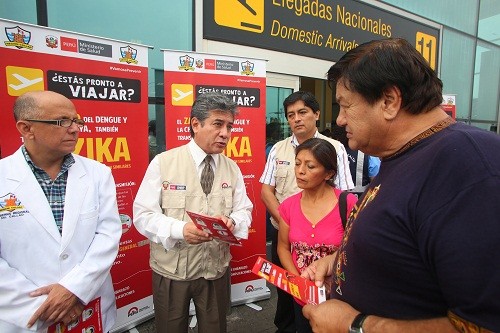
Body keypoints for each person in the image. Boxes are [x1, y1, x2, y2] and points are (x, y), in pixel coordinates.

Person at [301, 38, 500, 333]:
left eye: (345, 105)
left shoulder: (469, 167)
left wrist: (354, 326)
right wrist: (341, 261)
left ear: (389, 101)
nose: (340, 119)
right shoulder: (404, 154)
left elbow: (482, 324)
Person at [0, 90, 121, 332]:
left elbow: (108, 236)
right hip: (25, 315)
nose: (75, 128)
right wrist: (45, 305)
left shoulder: (98, 174)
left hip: (87, 306)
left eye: (76, 121)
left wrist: (74, 290)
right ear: (26, 129)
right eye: (63, 121)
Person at [133, 92, 253, 333]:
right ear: (195, 124)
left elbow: (244, 210)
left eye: (230, 126)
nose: (225, 134)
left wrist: (232, 221)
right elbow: (143, 215)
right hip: (172, 271)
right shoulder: (163, 162)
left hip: (215, 270)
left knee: (214, 328)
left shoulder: (232, 168)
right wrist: (180, 230)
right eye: (218, 124)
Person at [260, 91, 353, 333]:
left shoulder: (334, 148)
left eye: (302, 112)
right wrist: (288, 221)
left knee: (331, 310)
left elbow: (344, 193)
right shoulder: (278, 150)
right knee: (288, 304)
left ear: (316, 114)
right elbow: (266, 191)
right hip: (288, 236)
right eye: (291, 115)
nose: (296, 119)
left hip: (328, 243)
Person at [277, 138, 357, 333]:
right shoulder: (288, 206)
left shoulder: (347, 203)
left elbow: (356, 249)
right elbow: (283, 247)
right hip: (303, 295)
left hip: (339, 294)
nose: (300, 171)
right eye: (297, 163)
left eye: (310, 166)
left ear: (328, 173)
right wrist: (298, 281)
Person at [331, 124, 380, 195]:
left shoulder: (331, 152)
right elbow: (376, 181)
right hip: (360, 199)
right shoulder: (367, 153)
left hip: (334, 199)